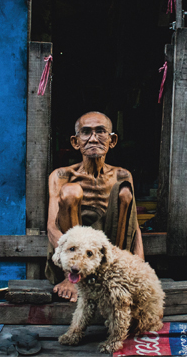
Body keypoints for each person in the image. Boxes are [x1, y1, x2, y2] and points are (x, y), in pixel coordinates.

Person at [45, 111, 144, 302]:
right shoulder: (61, 175)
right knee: (71, 191)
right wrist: (71, 267)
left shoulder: (122, 175)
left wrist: (139, 265)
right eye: (86, 132)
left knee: (124, 192)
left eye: (100, 132)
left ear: (112, 140)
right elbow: (51, 227)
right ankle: (73, 280)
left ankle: (113, 273)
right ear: (75, 142)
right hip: (72, 256)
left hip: (108, 252)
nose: (93, 139)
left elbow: (135, 225)